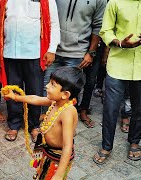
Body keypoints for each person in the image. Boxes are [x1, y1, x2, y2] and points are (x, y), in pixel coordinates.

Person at [0, 0, 60, 142]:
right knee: (13, 91)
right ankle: (14, 124)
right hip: (10, 52)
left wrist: (52, 49)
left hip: (34, 53)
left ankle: (34, 125)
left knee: (35, 90)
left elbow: (53, 23)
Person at [3, 67, 86, 179]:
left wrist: (59, 175)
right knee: (42, 173)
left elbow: (67, 146)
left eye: (52, 84)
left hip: (57, 157)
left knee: (49, 175)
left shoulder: (68, 112)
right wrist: (16, 97)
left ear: (65, 94)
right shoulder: (56, 101)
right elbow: (35, 99)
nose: (47, 86)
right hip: (47, 149)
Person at [93, 0, 141, 164]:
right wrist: (121, 43)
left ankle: (135, 142)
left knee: (140, 108)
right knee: (110, 108)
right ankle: (106, 146)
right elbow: (106, 30)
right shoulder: (115, 2)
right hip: (117, 64)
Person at [43, 0, 107, 128]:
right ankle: (47, 122)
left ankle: (65, 126)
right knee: (48, 87)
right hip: (53, 50)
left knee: (69, 92)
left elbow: (98, 26)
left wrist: (91, 52)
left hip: (77, 53)